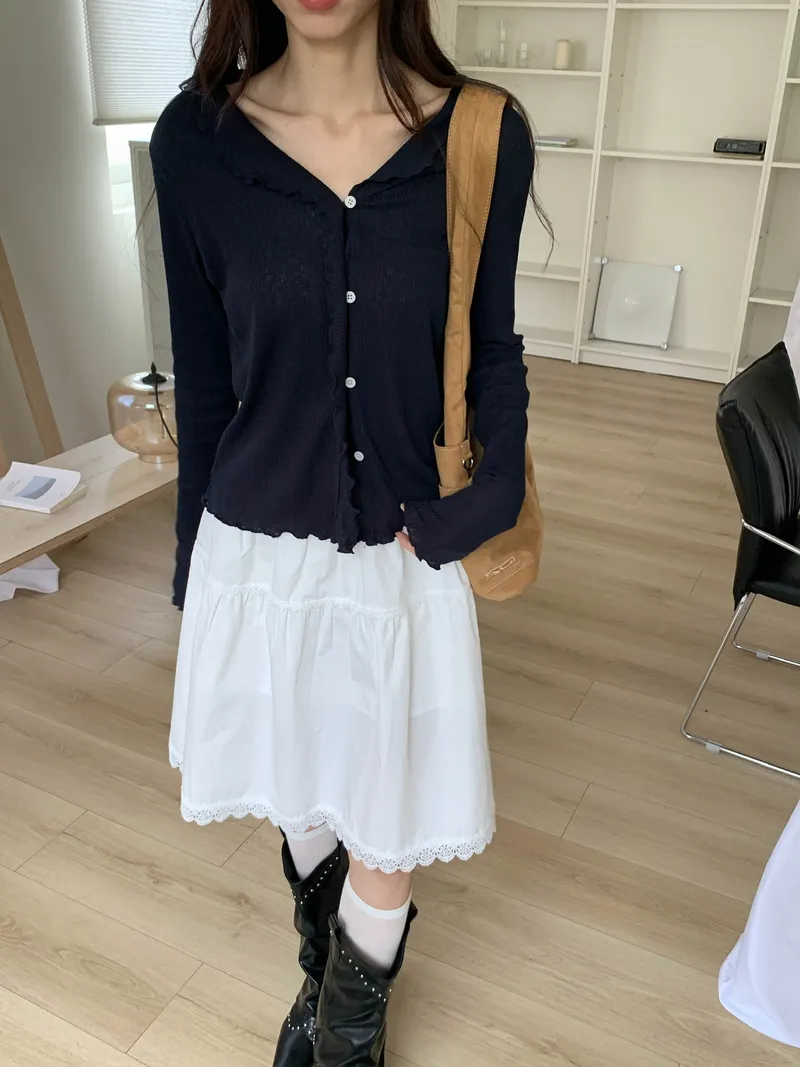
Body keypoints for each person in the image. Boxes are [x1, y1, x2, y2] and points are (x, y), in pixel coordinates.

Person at [150, 0, 549, 1062]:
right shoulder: (193, 142)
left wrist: (490, 496)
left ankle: (345, 1033)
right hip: (256, 553)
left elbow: (493, 345)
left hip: (404, 555)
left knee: (388, 813)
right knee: (301, 790)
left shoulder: (480, 135)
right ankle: (321, 965)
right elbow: (204, 381)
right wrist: (194, 571)